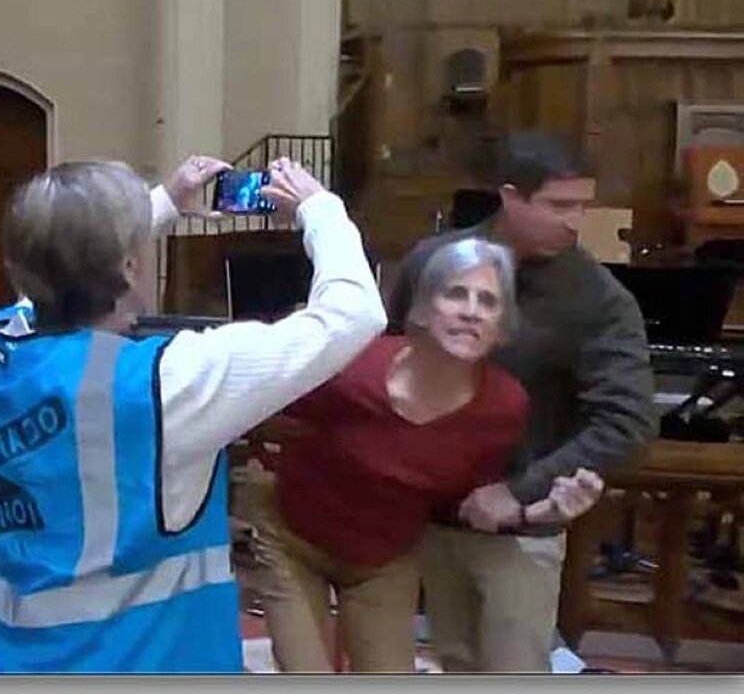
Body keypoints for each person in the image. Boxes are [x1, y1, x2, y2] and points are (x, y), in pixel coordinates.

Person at [0, 155, 386, 673]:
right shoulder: (160, 385)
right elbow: (353, 315)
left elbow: (53, 267)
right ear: (128, 267)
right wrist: (320, 209)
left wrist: (167, 200)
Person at [239, 236, 605, 673]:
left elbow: (468, 505)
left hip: (382, 563)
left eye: (487, 301)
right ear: (424, 309)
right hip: (292, 540)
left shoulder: (504, 407)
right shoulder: (353, 367)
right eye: (455, 294)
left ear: (501, 324)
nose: (471, 311)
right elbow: (257, 398)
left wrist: (539, 511)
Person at [386, 131, 656, 672]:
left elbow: (628, 419)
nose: (575, 220)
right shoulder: (435, 262)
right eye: (559, 205)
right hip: (428, 514)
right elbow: (390, 361)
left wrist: (520, 491)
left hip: (520, 525)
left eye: (582, 205)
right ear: (511, 196)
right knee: (454, 664)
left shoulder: (597, 298)